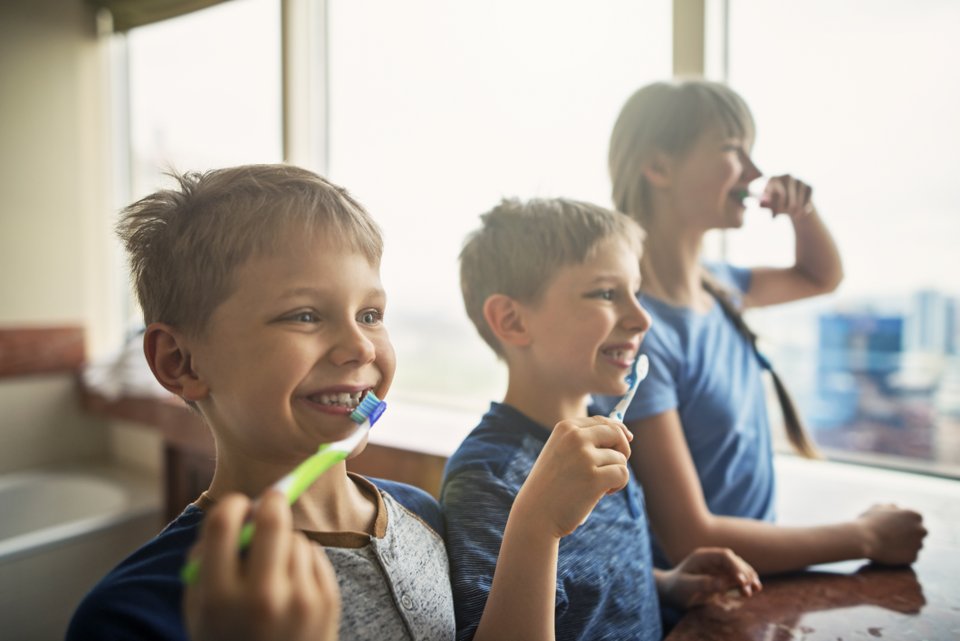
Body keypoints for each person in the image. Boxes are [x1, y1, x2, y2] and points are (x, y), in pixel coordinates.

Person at [66, 164, 455, 641]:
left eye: (370, 314)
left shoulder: (422, 513)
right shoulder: (131, 615)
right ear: (180, 363)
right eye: (305, 315)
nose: (362, 348)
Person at [593, 79, 927, 577]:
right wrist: (867, 535)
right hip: (702, 602)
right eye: (733, 151)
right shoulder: (638, 334)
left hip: (757, 574)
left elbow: (821, 276)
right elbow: (690, 538)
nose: (754, 173)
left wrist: (803, 212)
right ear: (659, 166)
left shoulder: (724, 287)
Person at [443, 197, 762, 641]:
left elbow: (576, 579)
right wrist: (535, 524)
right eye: (607, 294)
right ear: (512, 320)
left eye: (637, 291)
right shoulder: (488, 477)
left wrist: (665, 584)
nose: (642, 318)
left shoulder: (604, 432)